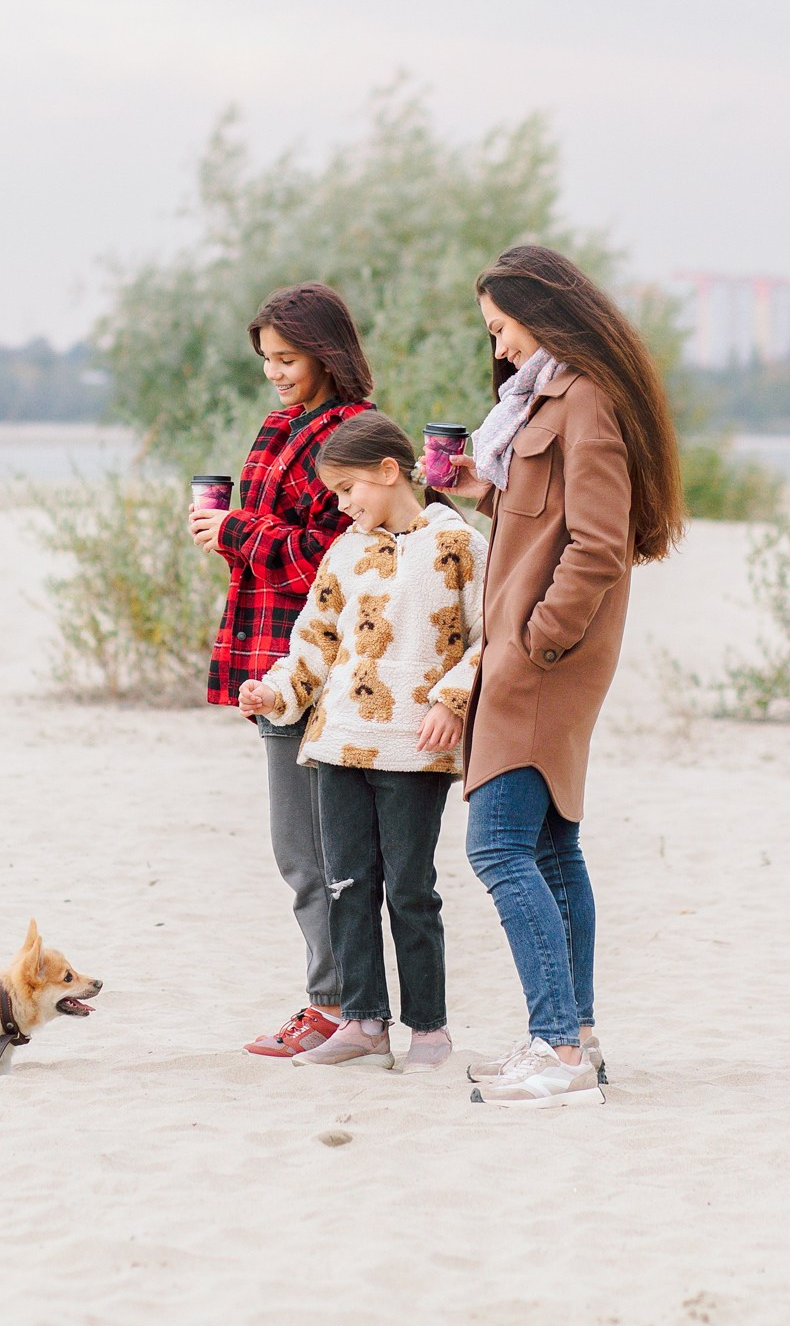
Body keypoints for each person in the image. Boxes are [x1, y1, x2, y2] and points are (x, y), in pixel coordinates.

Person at [443, 245, 686, 1108]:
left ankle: (556, 1049)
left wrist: (538, 642)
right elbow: (550, 521)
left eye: (502, 329)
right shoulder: (550, 398)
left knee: (499, 846)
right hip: (534, 653)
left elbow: (596, 542)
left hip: (542, 661)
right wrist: (483, 490)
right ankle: (575, 1034)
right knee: (549, 846)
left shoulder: (583, 399)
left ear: (541, 316)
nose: (500, 349)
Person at [238, 413, 487, 1073]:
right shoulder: (346, 550)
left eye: (350, 490)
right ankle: (363, 1021)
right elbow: (317, 640)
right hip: (338, 743)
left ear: (388, 470)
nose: (344, 506)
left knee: (411, 889)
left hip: (414, 748)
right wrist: (276, 692)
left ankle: (428, 1030)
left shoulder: (460, 543)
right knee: (347, 884)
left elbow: (488, 638)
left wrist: (451, 703)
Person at [191, 281, 374, 1058]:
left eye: (288, 358)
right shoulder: (279, 426)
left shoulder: (353, 435)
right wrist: (231, 532)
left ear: (327, 353)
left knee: (314, 853)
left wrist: (237, 528)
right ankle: (341, 1004)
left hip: (318, 665)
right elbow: (277, 539)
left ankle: (336, 1008)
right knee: (303, 850)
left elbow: (331, 560)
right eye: (267, 359)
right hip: (267, 655)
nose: (275, 373)